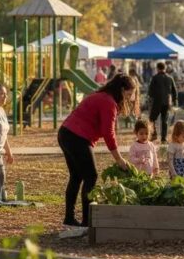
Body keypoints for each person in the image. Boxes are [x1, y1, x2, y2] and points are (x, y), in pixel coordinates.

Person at [58, 74, 138, 227]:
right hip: (77, 137)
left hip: (66, 133)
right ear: (121, 90)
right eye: (128, 94)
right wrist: (119, 159)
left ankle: (69, 218)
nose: (128, 98)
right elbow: (108, 133)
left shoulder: (101, 96)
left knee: (76, 176)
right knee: (91, 176)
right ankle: (88, 221)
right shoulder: (109, 103)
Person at [147, 62, 177, 143]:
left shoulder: (155, 78)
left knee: (152, 119)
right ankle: (164, 138)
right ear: (165, 68)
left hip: (157, 102)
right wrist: (174, 101)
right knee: (165, 121)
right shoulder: (170, 78)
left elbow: (150, 92)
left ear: (157, 68)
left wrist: (151, 99)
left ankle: (154, 135)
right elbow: (174, 91)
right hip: (167, 103)